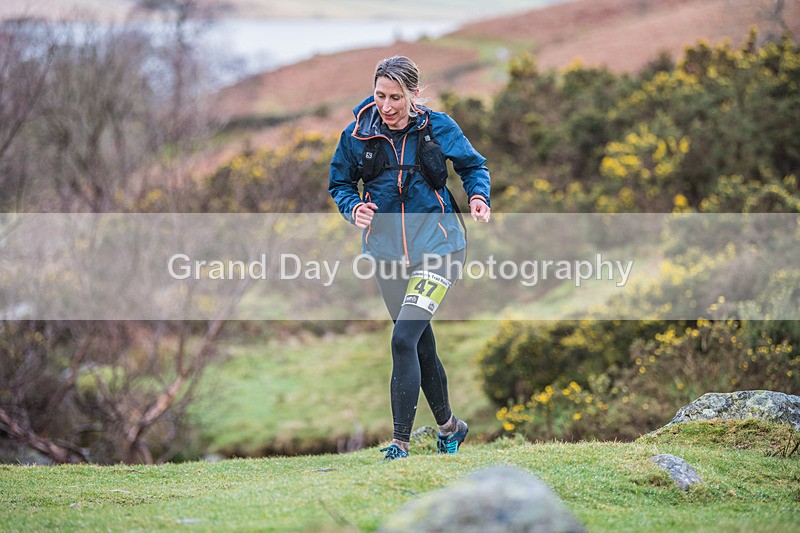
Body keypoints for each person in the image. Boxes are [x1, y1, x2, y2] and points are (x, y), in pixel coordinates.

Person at [329, 56, 491, 461]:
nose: (386, 106)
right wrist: (353, 207)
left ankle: (399, 445)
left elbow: (473, 166)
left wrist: (478, 196)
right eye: (380, 95)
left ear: (414, 94)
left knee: (403, 338)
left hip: (440, 248)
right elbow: (340, 183)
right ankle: (450, 428)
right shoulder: (356, 134)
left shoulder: (438, 127)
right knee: (418, 344)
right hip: (386, 254)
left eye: (396, 97)